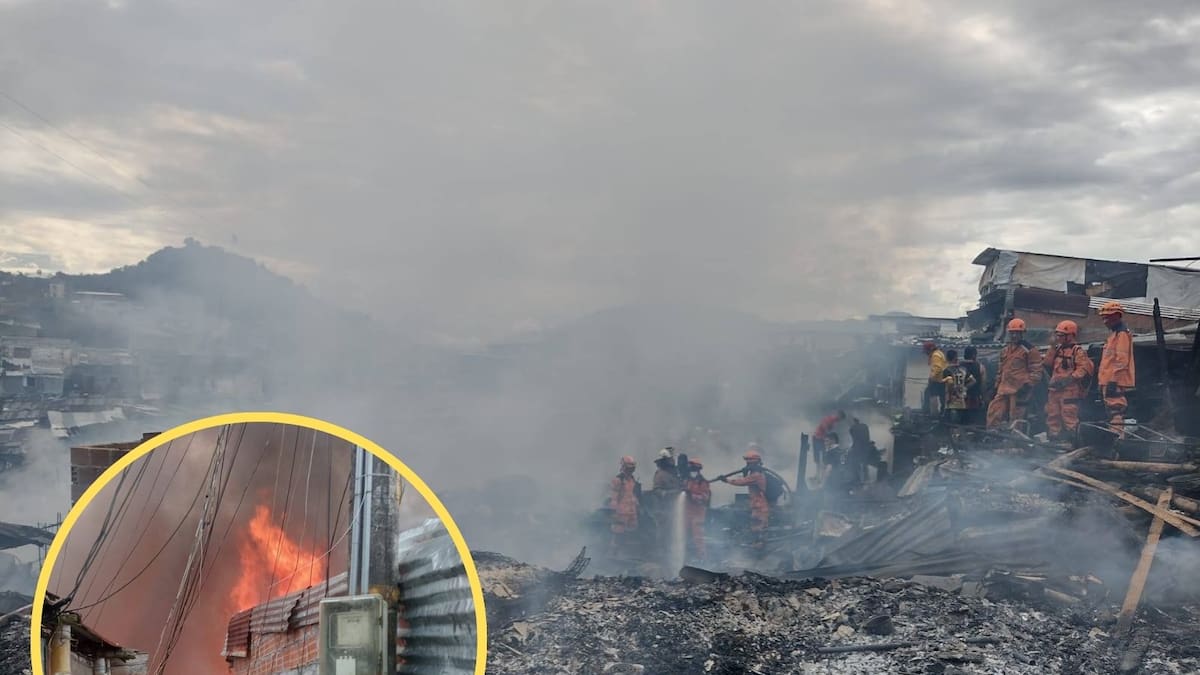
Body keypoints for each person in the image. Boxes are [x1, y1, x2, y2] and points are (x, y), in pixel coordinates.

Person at [1043, 320, 1095, 444]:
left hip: (1069, 391)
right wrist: (1052, 347)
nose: (1059, 338)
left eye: (1061, 335)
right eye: (1058, 335)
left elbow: (1083, 369)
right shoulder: (1057, 350)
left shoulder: (1077, 351)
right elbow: (1047, 363)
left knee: (1069, 416)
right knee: (1053, 414)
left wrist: (1068, 379)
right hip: (1055, 390)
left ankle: (1074, 440)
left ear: (1070, 335)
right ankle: (1054, 439)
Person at [986, 318, 1042, 430]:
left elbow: (1036, 370)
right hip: (1003, 389)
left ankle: (1016, 442)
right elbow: (1001, 370)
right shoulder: (1005, 350)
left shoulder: (1029, 350)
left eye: (1017, 333)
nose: (1014, 335)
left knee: (1016, 418)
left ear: (1022, 333)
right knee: (994, 411)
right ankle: (992, 437)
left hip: (1019, 390)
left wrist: (1027, 386)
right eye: (1012, 333)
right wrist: (996, 386)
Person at [1097, 301, 1136, 439]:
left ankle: (1116, 438)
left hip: (1115, 380)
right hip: (1109, 380)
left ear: (1116, 316)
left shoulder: (1122, 335)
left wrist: (1113, 381)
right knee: (1112, 410)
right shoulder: (1114, 335)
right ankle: (1114, 436)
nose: (1105, 321)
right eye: (1103, 318)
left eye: (1107, 317)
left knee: (1115, 410)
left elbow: (1121, 360)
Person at [721, 449, 769, 547]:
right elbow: (745, 479)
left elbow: (742, 482)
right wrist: (744, 473)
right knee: (755, 526)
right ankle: (756, 545)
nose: (747, 464)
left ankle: (759, 548)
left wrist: (726, 480)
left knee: (758, 527)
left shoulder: (757, 475)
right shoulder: (755, 473)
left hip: (760, 506)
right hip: (756, 505)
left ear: (754, 463)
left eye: (749, 462)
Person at [608, 456, 641, 557]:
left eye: (632, 468)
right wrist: (614, 512)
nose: (631, 470)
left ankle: (626, 554)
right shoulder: (618, 480)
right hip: (621, 512)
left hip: (631, 511)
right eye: (629, 467)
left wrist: (637, 504)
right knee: (618, 534)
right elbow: (614, 497)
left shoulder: (632, 480)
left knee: (630, 535)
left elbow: (632, 494)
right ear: (624, 467)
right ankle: (612, 555)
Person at [683, 458, 711, 561]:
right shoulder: (687, 481)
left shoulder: (703, 483)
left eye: (694, 469)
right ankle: (686, 557)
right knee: (684, 536)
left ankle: (702, 559)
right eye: (691, 470)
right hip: (686, 513)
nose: (692, 472)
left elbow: (705, 497)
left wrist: (692, 496)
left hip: (698, 514)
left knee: (698, 538)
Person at [941, 349, 977, 425]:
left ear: (947, 359)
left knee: (952, 426)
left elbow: (950, 384)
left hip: (951, 404)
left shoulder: (946, 371)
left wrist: (949, 397)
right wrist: (965, 388)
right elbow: (973, 381)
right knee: (963, 426)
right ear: (956, 358)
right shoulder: (963, 370)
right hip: (963, 403)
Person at [961, 346, 987, 425]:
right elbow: (983, 384)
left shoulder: (957, 366)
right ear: (974, 355)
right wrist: (983, 398)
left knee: (961, 422)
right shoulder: (980, 367)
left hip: (959, 400)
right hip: (974, 399)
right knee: (974, 422)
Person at [923, 341, 948, 416]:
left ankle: (930, 412)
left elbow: (938, 368)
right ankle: (942, 412)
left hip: (937, 380)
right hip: (942, 379)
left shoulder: (935, 355)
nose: (926, 353)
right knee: (942, 397)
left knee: (929, 394)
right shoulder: (939, 353)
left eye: (926, 351)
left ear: (930, 349)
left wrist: (931, 377)